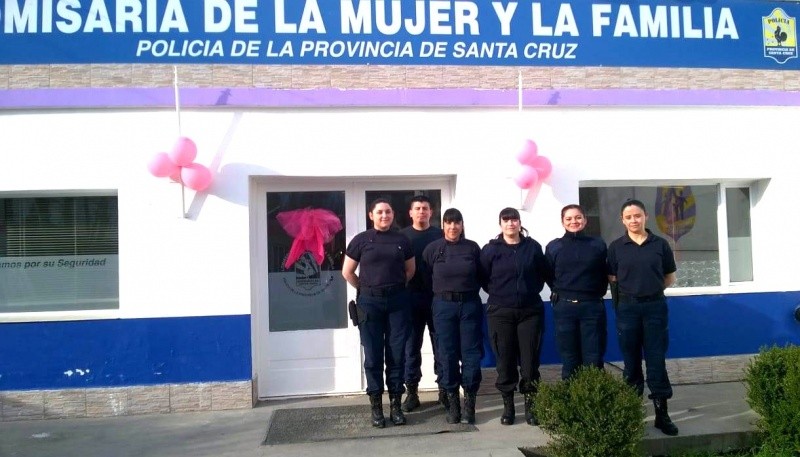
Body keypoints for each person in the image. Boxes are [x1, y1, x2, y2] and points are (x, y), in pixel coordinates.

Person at [607, 199, 679, 436]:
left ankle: (662, 415)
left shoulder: (660, 245)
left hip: (655, 308)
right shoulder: (616, 247)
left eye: (637, 216)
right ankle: (632, 414)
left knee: (656, 361)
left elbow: (669, 277)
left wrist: (651, 292)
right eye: (628, 217)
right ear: (623, 220)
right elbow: (614, 280)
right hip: (627, 309)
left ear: (645, 216)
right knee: (631, 362)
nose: (633, 220)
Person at [342, 198, 415, 428]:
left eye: (389, 211)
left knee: (396, 355)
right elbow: (348, 272)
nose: (385, 215)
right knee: (373, 357)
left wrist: (393, 289)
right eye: (380, 212)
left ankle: (395, 406)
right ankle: (376, 407)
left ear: (393, 215)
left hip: (397, 303)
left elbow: (410, 270)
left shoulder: (402, 240)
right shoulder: (361, 240)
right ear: (371, 215)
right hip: (369, 304)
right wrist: (365, 290)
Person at [480, 207, 549, 426]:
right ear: (500, 224)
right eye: (506, 220)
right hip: (500, 312)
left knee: (530, 363)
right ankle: (508, 407)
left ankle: (531, 405)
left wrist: (529, 292)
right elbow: (483, 277)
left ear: (520, 223)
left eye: (514, 219)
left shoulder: (533, 247)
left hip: (530, 312)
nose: (511, 223)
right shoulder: (490, 250)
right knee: (505, 361)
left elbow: (542, 274)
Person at [421, 208, 485, 424]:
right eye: (448, 223)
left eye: (457, 222)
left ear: (462, 225)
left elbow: (482, 275)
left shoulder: (472, 248)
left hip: (469, 305)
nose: (453, 227)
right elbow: (425, 277)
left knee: (471, 354)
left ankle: (469, 404)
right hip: (443, 305)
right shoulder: (433, 249)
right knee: (446, 354)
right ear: (443, 226)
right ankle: (452, 404)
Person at [545, 204, 609, 380]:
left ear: (585, 220)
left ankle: (593, 403)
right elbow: (549, 275)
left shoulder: (598, 244)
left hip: (592, 307)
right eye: (569, 218)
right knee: (569, 358)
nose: (574, 221)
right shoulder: (553, 247)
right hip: (564, 308)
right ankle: (571, 402)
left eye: (578, 217)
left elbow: (604, 273)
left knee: (593, 358)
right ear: (562, 222)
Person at [399, 195, 445, 412]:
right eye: (417, 208)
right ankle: (412, 392)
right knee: (411, 348)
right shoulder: (402, 237)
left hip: (438, 299)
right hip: (410, 299)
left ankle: (445, 391)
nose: (421, 212)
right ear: (410, 212)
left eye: (425, 208)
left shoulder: (441, 235)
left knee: (442, 347)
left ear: (431, 212)